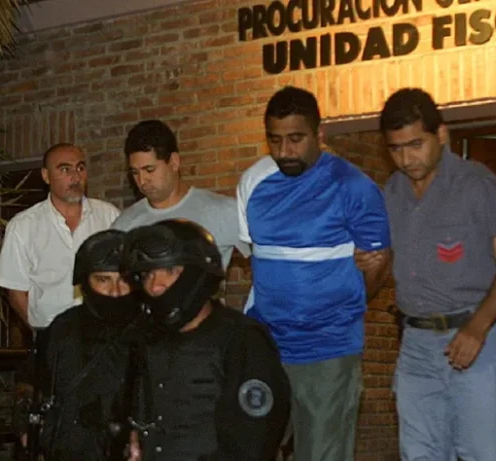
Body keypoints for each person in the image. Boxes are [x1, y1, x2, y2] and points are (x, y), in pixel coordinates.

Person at [363, 87, 496, 461]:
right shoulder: (393, 192)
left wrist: (477, 328)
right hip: (416, 344)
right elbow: (386, 264)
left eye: (415, 144)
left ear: (441, 135)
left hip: (478, 335)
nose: (407, 159)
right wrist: (370, 267)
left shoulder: (477, 184)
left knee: (485, 453)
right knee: (419, 454)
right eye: (395, 149)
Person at [237, 86, 392, 461]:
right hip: (267, 347)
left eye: (296, 139)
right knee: (251, 449)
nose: (284, 151)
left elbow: (378, 264)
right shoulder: (253, 183)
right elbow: (253, 257)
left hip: (328, 350)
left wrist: (343, 307)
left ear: (319, 134)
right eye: (275, 140)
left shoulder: (353, 187)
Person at [120, 219, 291, 461]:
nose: (156, 285)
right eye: (148, 274)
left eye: (170, 270)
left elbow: (254, 441)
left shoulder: (242, 340)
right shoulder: (145, 338)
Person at [32, 229, 140, 461]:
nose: (115, 291)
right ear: (85, 281)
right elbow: (34, 382)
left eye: (124, 280)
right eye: (103, 280)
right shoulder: (63, 328)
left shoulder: (153, 330)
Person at [0, 142, 120, 330]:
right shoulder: (23, 226)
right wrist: (40, 333)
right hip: (51, 334)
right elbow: (15, 290)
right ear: (46, 176)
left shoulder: (109, 216)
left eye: (80, 168)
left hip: (104, 333)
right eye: (65, 169)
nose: (76, 177)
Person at [111, 119, 250, 274]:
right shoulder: (124, 225)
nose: (142, 180)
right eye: (135, 173)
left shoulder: (222, 211)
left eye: (149, 170)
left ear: (174, 162)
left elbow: (265, 259)